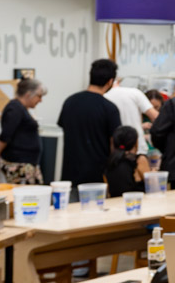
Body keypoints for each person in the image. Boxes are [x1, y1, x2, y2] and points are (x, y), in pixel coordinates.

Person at [59, 59, 122, 189]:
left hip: (70, 174)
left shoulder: (69, 102)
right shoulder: (109, 108)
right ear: (110, 81)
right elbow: (114, 144)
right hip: (97, 176)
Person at [0, 77, 46, 184]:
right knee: (25, 193)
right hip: (19, 164)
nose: (40, 100)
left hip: (26, 163)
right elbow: (6, 135)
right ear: (28, 94)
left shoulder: (21, 108)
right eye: (39, 96)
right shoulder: (15, 108)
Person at [105, 81, 159, 155]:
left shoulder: (104, 97)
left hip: (115, 152)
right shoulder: (135, 93)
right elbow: (156, 117)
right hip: (137, 149)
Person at [105, 125, 150, 198]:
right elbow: (152, 186)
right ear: (136, 143)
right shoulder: (139, 160)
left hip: (115, 203)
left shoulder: (110, 163)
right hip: (137, 202)